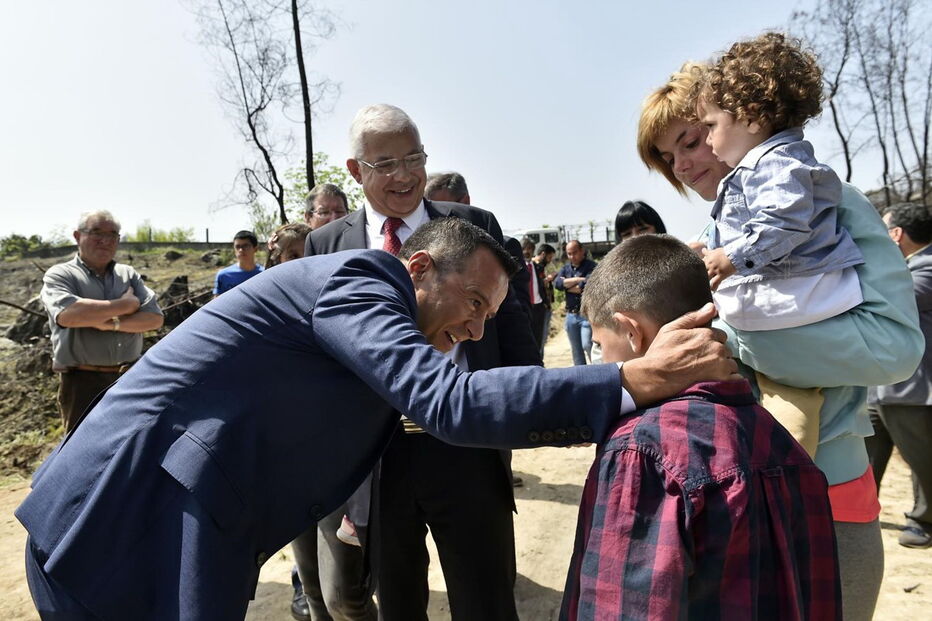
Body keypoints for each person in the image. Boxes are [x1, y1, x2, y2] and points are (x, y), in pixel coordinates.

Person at [18, 217, 735, 620]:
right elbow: (452, 406)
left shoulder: (385, 335)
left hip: (189, 532)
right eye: (476, 303)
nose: (478, 330)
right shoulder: (361, 280)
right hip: (125, 518)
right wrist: (632, 379)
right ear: (419, 266)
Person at [638, 59, 922, 620]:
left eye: (693, 139)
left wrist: (734, 341)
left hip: (830, 485)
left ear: (739, 120)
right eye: (670, 159)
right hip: (728, 491)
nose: (686, 164)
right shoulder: (706, 242)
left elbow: (896, 348)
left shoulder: (833, 204)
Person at [305, 104, 542, 621]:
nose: (405, 175)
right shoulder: (325, 244)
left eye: (414, 158)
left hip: (467, 444)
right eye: (385, 163)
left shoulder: (475, 226)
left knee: (486, 599)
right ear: (354, 171)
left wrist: (514, 413)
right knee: (398, 600)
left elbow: (516, 338)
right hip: (375, 457)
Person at [563, 234, 839, 619]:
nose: (601, 361)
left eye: (600, 344)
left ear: (631, 331)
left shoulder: (640, 452)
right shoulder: (782, 442)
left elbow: (623, 606)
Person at [691, 32, 867, 456]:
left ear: (751, 117)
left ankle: (781, 468)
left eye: (711, 127)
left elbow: (784, 223)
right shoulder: (769, 162)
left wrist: (730, 257)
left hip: (796, 300)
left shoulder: (774, 161)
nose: (711, 141)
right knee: (790, 402)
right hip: (797, 301)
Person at [40, 210, 164, 432]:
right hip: (82, 382)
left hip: (130, 378)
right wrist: (125, 306)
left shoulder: (128, 274)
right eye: (96, 232)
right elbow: (69, 315)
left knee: (127, 445)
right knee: (80, 450)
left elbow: (154, 318)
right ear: (78, 236)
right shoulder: (60, 274)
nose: (105, 240)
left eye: (113, 234)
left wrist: (108, 323)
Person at [867, 202, 932, 548]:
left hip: (914, 389)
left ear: (896, 234)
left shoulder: (926, 268)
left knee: (922, 457)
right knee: (866, 451)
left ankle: (923, 521)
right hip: (882, 387)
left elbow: (892, 298)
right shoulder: (905, 268)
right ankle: (862, 510)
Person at [554, 240, 597, 366]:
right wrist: (578, 279)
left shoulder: (591, 266)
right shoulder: (565, 268)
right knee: (576, 351)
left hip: (586, 315)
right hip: (571, 316)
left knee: (588, 345)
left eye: (575, 253)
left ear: (582, 251)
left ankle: (598, 372)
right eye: (569, 254)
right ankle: (581, 378)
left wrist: (567, 284)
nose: (572, 256)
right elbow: (557, 284)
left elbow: (586, 285)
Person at [213, 230, 263, 297]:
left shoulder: (264, 274)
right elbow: (217, 303)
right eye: (237, 246)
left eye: (246, 246)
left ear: (255, 249)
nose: (241, 250)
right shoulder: (223, 276)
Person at [532, 243, 557, 354]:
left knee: (543, 338)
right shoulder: (533, 266)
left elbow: (555, 272)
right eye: (549, 257)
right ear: (543, 254)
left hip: (546, 305)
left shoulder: (545, 266)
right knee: (539, 339)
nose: (550, 260)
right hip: (538, 308)